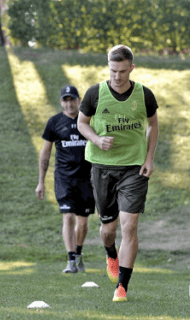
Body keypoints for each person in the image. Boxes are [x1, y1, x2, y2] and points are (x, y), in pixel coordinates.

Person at [77, 45, 159, 302]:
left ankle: (121, 286)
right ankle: (110, 253)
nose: (117, 76)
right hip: (102, 168)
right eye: (113, 70)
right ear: (108, 67)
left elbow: (153, 124)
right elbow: (81, 123)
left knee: (130, 225)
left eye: (123, 71)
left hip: (134, 168)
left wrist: (149, 158)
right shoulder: (95, 94)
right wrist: (97, 140)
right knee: (108, 230)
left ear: (131, 68)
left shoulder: (144, 95)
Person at [35, 85, 95, 274]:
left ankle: (78, 253)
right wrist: (40, 182)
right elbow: (45, 153)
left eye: (72, 100)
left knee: (83, 223)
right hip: (64, 178)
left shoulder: (88, 121)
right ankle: (70, 260)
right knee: (68, 216)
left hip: (87, 179)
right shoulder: (54, 122)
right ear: (61, 102)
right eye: (65, 100)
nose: (69, 104)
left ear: (79, 101)